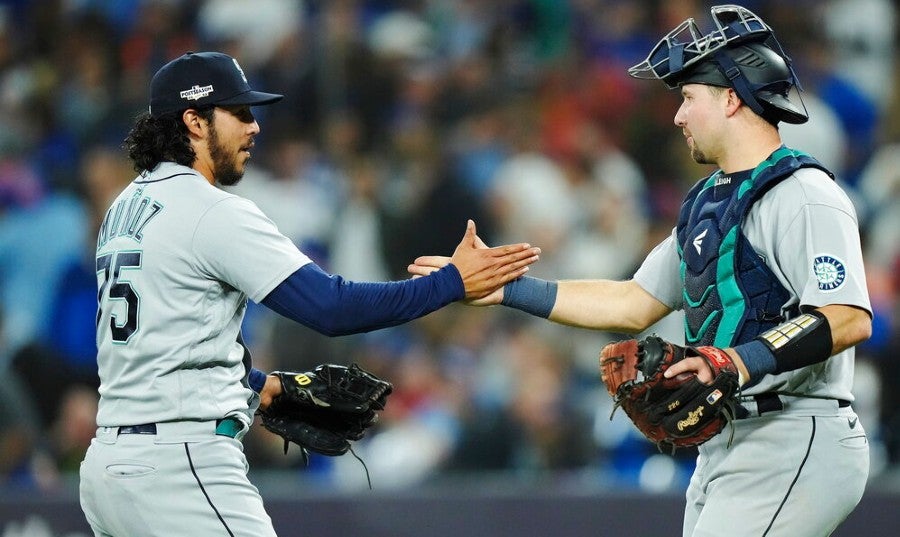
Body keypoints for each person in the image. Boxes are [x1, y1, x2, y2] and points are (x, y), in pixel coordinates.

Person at [410, 6, 871, 536]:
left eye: (687, 98)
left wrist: (734, 361)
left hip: (795, 430)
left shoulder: (804, 194)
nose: (677, 116)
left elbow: (846, 317)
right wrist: (507, 288)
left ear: (730, 98)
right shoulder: (710, 202)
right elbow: (633, 303)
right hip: (730, 439)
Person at [78, 51, 541, 537]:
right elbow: (331, 307)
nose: (254, 126)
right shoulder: (209, 211)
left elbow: (161, 343)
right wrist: (452, 282)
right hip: (180, 468)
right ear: (194, 121)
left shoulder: (124, 208)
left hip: (109, 467)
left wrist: (258, 387)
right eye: (239, 112)